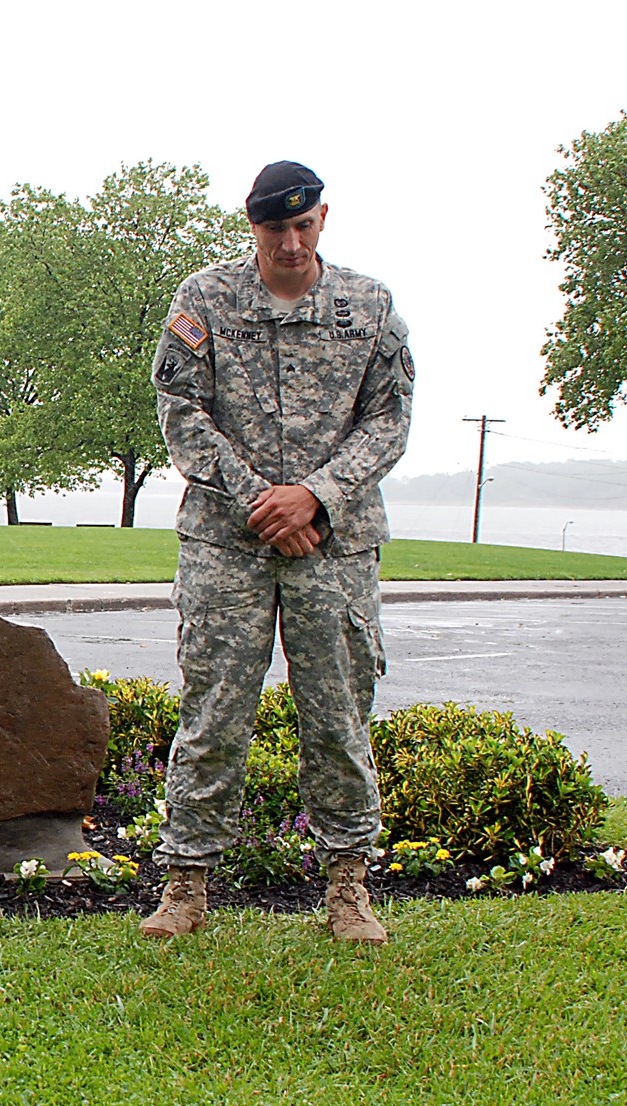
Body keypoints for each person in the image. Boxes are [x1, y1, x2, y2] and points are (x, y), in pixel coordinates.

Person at [142, 160, 415, 944]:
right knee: (214, 713)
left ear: (324, 219)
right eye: (274, 229)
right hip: (228, 543)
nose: (290, 243)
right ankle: (185, 888)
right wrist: (265, 502)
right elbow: (182, 412)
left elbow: (389, 421)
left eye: (303, 225)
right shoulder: (204, 300)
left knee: (338, 716)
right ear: (252, 226)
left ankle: (349, 890)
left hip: (335, 546)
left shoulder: (370, 307)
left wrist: (316, 496)